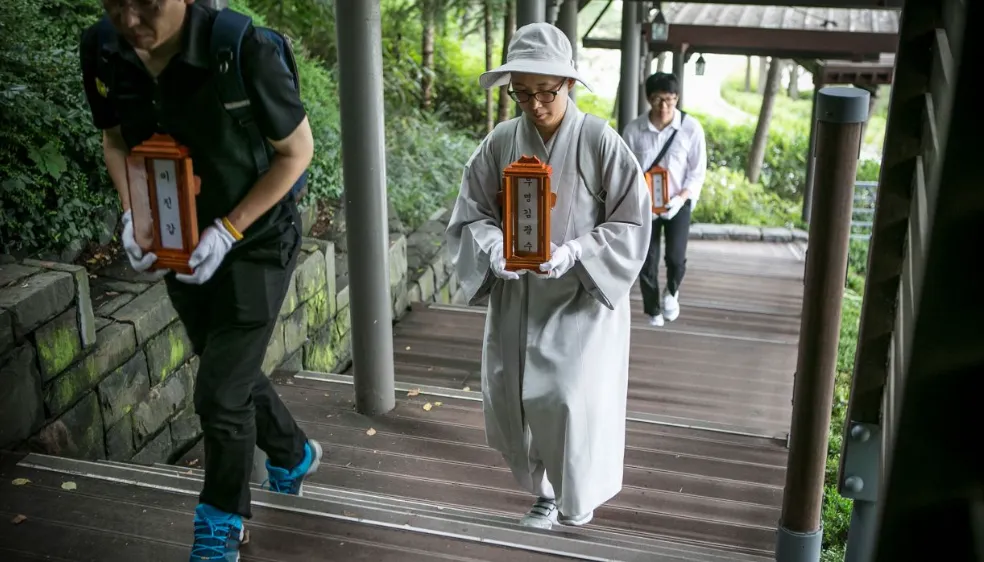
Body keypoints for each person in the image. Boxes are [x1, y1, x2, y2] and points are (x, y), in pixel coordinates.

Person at [79, 1, 322, 560]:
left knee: (218, 392)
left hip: (258, 239)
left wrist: (229, 230)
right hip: (177, 236)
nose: (131, 19)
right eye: (117, 2)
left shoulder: (242, 49)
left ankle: (220, 522)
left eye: (147, 3)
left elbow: (296, 152)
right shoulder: (103, 49)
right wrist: (133, 215)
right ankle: (293, 453)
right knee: (224, 366)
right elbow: (116, 141)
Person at [446, 23, 651, 530]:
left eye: (546, 92)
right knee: (517, 396)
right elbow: (471, 212)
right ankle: (544, 493)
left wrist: (578, 251)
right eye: (522, 93)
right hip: (518, 294)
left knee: (566, 397)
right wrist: (493, 247)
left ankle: (573, 493)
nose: (534, 104)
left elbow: (631, 220)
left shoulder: (600, 140)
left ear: (569, 85)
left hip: (578, 294)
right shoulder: (501, 142)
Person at [621, 72, 707, 327]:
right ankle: (653, 309)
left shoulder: (690, 128)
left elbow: (697, 171)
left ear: (677, 98)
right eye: (658, 100)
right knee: (647, 259)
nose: (664, 106)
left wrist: (681, 199)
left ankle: (672, 291)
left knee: (675, 258)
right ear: (649, 99)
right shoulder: (634, 130)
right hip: (645, 204)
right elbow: (626, 169)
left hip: (678, 202)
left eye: (670, 100)